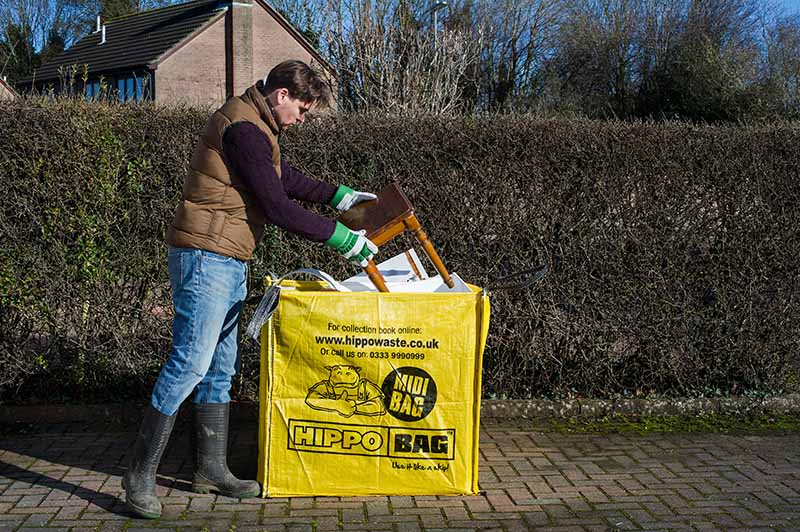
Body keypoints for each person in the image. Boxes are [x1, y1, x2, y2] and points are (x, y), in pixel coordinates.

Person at [122, 60, 378, 519]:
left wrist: (338, 195)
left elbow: (282, 177)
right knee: (191, 363)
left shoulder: (256, 124)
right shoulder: (244, 129)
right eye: (302, 108)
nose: (303, 118)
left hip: (227, 256)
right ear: (282, 95)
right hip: (206, 257)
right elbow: (276, 205)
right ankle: (139, 475)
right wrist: (342, 237)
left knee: (220, 368)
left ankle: (211, 470)